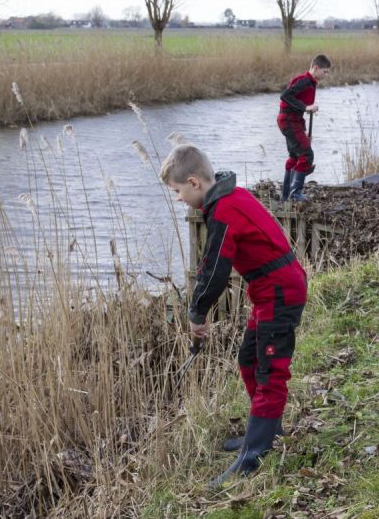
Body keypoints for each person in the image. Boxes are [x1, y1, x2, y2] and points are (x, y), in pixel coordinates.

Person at [159, 144, 307, 488]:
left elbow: (214, 271)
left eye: (178, 192)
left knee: (270, 372)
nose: (179, 199)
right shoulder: (228, 195)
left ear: (194, 182)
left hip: (280, 293)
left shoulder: (225, 209)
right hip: (269, 291)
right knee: (248, 360)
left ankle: (252, 458)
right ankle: (265, 432)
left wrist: (197, 312)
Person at [278, 54, 332, 201]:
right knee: (307, 155)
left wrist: (304, 131)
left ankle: (285, 196)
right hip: (288, 120)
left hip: (292, 121)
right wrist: (306, 107)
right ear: (316, 68)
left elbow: (297, 109)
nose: (326, 75)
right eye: (325, 71)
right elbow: (285, 95)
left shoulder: (310, 82)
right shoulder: (304, 81)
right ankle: (295, 194)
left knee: (295, 157)